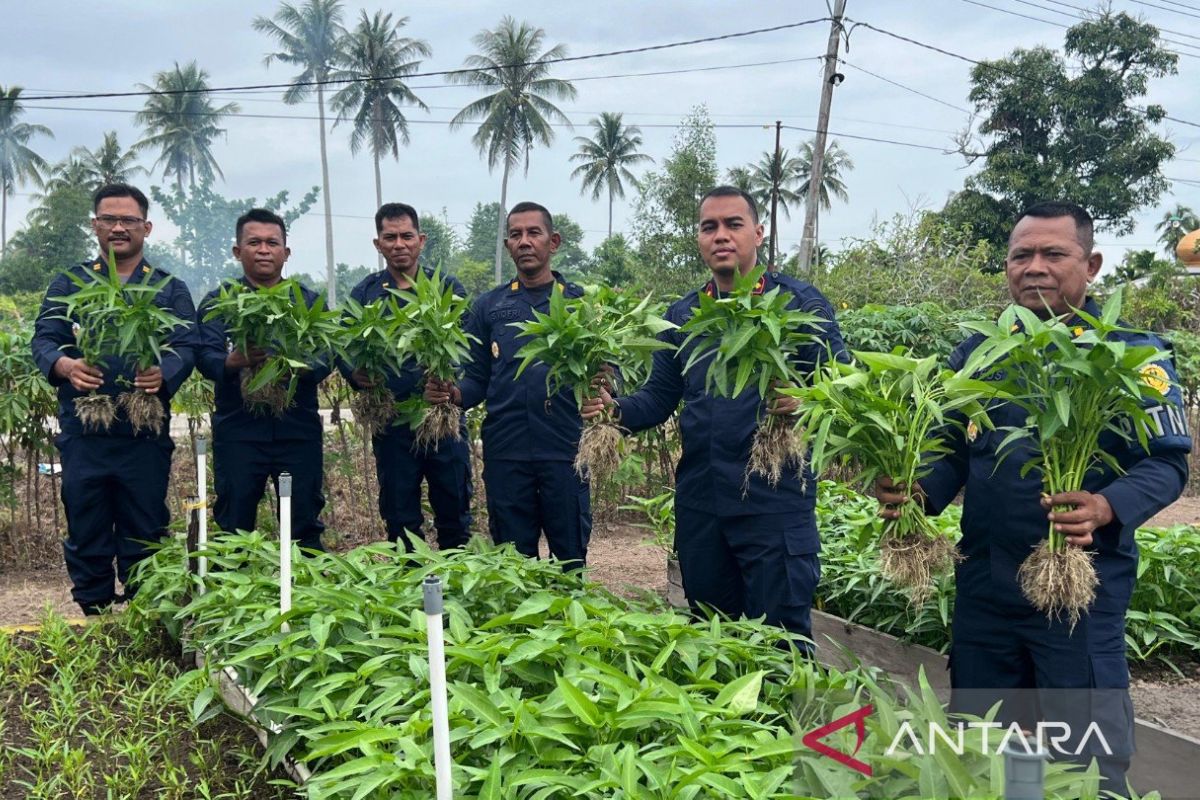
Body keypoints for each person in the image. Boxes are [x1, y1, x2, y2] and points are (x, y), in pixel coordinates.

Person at [876, 201, 1191, 793]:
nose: (1035, 267)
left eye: (1053, 254)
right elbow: (951, 448)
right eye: (1022, 255)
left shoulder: (1132, 351)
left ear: (1091, 265)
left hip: (1076, 594)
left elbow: (1166, 463)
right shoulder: (981, 350)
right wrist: (918, 491)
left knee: (1085, 762)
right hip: (986, 591)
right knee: (978, 752)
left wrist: (1106, 506)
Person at [581, 186, 847, 641]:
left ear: (758, 233)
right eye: (709, 227)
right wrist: (614, 410)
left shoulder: (801, 305)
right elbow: (659, 397)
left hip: (774, 505)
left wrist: (808, 400)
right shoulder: (683, 314)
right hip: (702, 507)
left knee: (779, 644)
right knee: (711, 640)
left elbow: (844, 389)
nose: (721, 235)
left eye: (733, 224)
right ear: (700, 239)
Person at [31, 183, 196, 615]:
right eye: (109, 219)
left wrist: (164, 372)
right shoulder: (71, 282)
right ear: (95, 225)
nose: (118, 227)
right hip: (85, 430)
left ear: (147, 227)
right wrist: (65, 366)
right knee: (86, 523)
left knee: (145, 524)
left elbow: (186, 344)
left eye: (128, 220)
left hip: (142, 433)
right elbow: (44, 338)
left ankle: (144, 612)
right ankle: (95, 610)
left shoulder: (168, 288)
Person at [425, 201, 590, 567]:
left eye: (534, 233)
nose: (524, 241)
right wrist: (452, 394)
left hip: (564, 450)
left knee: (569, 558)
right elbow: (477, 378)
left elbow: (605, 369)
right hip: (506, 451)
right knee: (513, 562)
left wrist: (607, 388)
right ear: (507, 245)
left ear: (553, 241)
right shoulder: (489, 306)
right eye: (516, 234)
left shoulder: (580, 303)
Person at [196, 208, 330, 551]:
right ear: (237, 251)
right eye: (254, 243)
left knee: (303, 521)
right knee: (234, 521)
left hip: (296, 430)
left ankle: (305, 581)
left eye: (272, 243)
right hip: (238, 431)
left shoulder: (307, 301)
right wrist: (231, 362)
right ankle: (235, 582)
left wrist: (294, 365)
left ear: (286, 252)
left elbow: (327, 355)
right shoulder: (219, 302)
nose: (264, 250)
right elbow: (204, 354)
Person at [341, 203, 472, 550]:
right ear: (378, 244)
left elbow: (470, 345)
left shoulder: (447, 288)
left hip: (442, 419)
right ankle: (408, 576)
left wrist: (452, 384)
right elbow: (342, 345)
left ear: (421, 240)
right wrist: (354, 373)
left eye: (406, 236)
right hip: (393, 424)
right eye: (390, 237)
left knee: (454, 509)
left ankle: (457, 574)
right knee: (400, 515)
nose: (399, 244)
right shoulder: (366, 293)